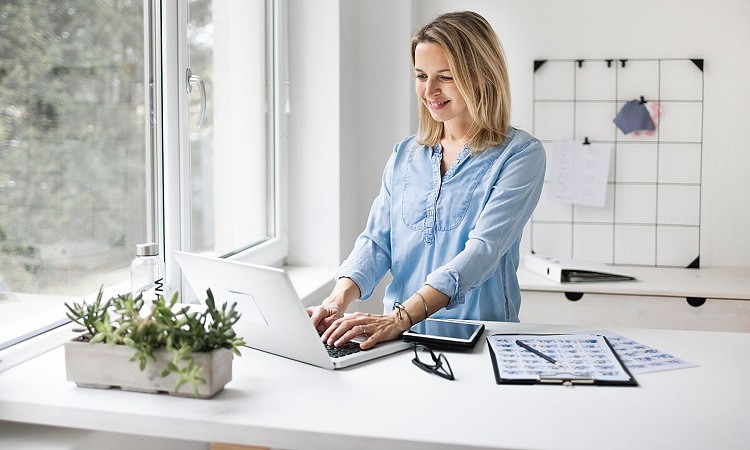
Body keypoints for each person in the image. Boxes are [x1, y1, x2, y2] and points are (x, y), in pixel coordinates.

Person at [307, 11, 546, 351]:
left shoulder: (520, 155)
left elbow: (482, 251)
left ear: (480, 76)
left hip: (478, 341)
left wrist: (400, 317)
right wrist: (336, 300)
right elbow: (377, 243)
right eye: (421, 76)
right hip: (398, 342)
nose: (429, 91)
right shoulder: (405, 154)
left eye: (445, 77)